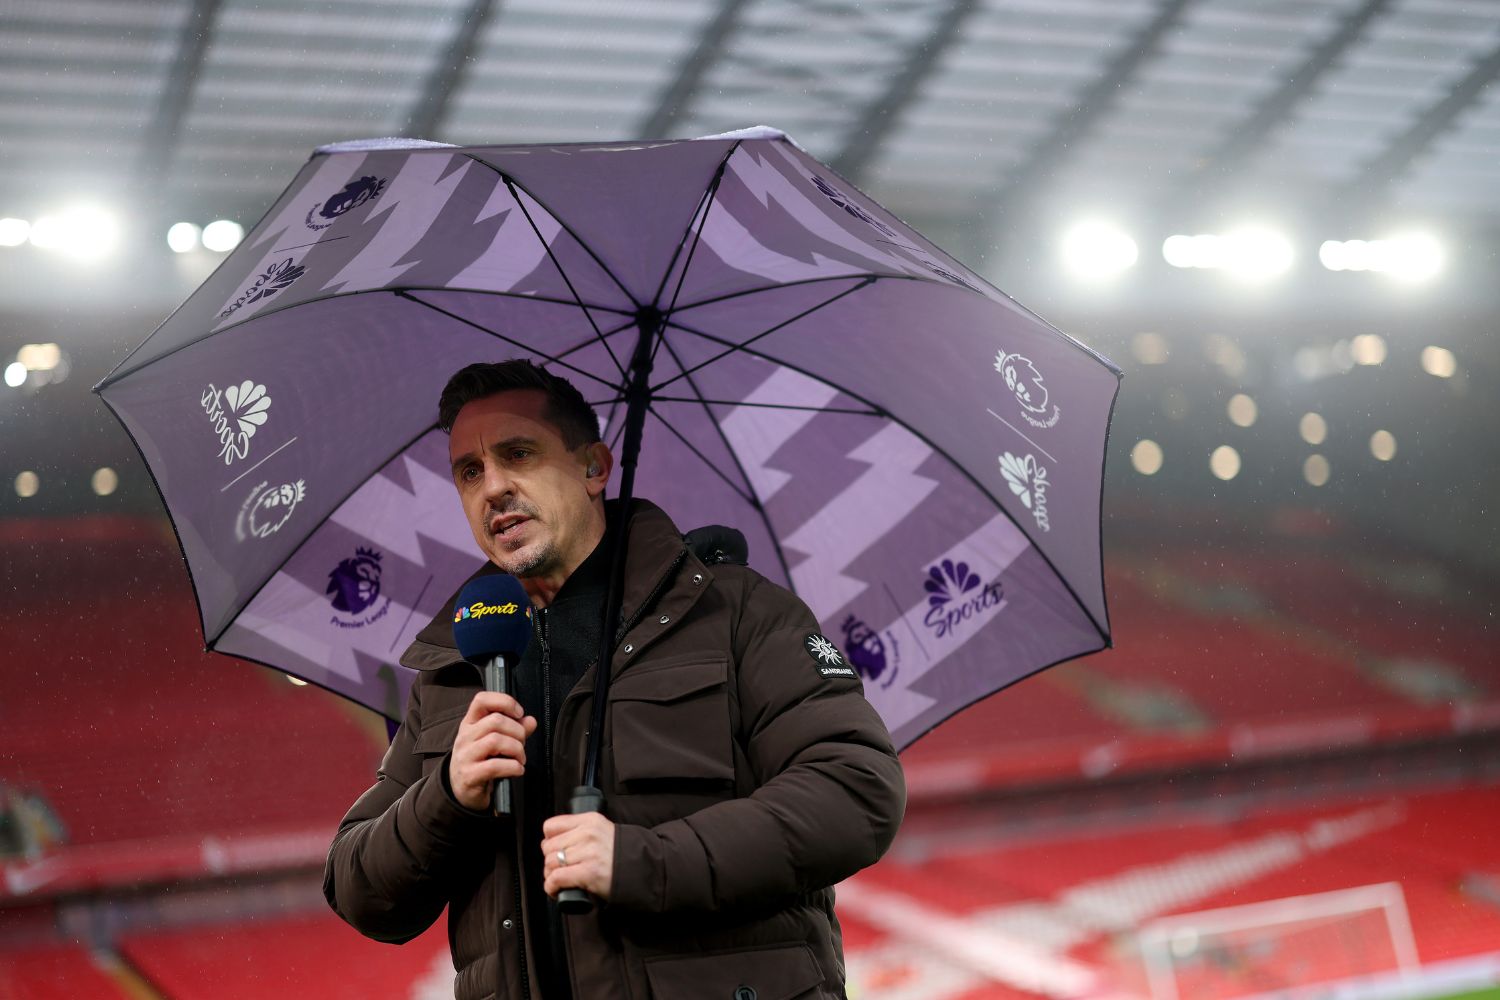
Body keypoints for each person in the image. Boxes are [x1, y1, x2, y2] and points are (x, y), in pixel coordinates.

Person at [324, 360, 906, 1000]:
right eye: (470, 472)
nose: (492, 488)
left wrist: (645, 864)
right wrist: (448, 795)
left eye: (519, 454)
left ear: (595, 468)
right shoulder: (453, 667)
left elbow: (857, 789)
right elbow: (361, 891)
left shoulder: (730, 610)